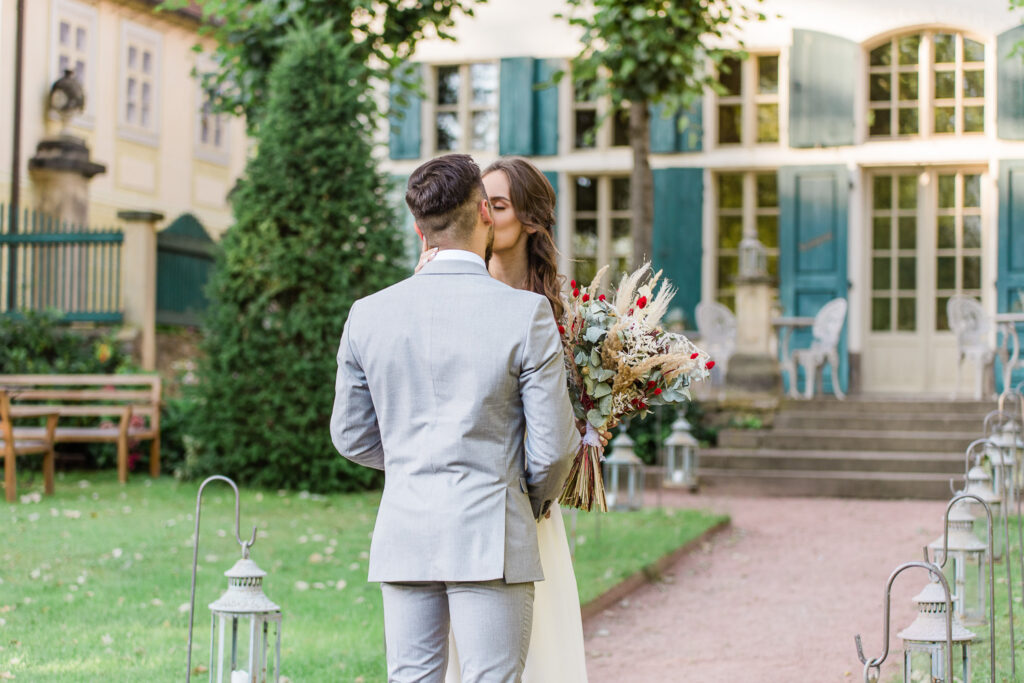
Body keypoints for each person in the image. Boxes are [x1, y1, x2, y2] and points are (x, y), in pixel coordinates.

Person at [330, 153, 580, 683]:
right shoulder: (525, 314)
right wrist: (522, 496)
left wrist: (412, 463)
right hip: (491, 528)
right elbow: (555, 447)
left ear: (420, 230)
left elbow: (350, 435)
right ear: (483, 215)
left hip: (406, 528)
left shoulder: (367, 314)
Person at [433, 157, 591, 683]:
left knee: (537, 653)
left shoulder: (559, 313)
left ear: (529, 221)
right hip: (454, 501)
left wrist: (590, 426)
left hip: (528, 508)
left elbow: (563, 422)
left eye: (497, 205)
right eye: (482, 203)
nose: (483, 213)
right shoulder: (437, 291)